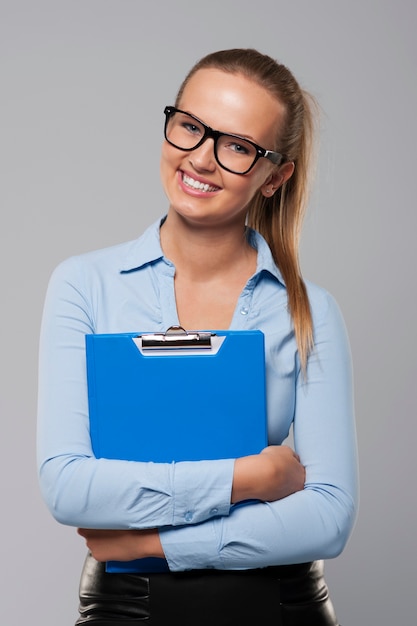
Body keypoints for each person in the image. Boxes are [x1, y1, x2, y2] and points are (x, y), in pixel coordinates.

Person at [37, 48, 358, 625]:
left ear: (273, 176)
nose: (201, 159)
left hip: (282, 608)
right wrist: (247, 477)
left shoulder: (310, 312)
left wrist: (152, 544)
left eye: (236, 146)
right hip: (126, 609)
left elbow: (329, 518)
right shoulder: (83, 286)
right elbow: (67, 486)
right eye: (190, 127)